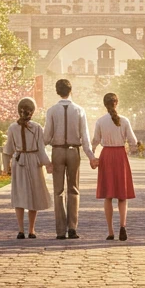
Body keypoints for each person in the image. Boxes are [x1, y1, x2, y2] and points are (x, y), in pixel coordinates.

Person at [42, 78, 96, 240]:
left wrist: (40, 154)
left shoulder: (51, 111)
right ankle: (72, 228)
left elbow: (46, 137)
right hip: (74, 151)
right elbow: (85, 137)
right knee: (73, 189)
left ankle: (60, 231)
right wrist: (91, 157)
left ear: (57, 92)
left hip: (57, 151)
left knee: (58, 191)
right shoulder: (79, 110)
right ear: (71, 91)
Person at [91, 92, 139, 241]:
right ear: (116, 103)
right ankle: (122, 226)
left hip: (106, 155)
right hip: (120, 155)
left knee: (108, 195)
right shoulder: (124, 120)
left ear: (104, 105)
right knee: (122, 195)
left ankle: (110, 231)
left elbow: (95, 140)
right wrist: (134, 149)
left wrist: (92, 155)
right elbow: (133, 141)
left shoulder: (100, 121)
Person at [3, 97, 52, 239]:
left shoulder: (12, 127)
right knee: (33, 195)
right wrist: (47, 163)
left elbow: (8, 149)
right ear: (32, 111)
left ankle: (21, 230)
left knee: (19, 195)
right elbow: (41, 148)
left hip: (19, 161)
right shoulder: (37, 127)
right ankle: (31, 229)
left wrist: (6, 166)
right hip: (33, 161)